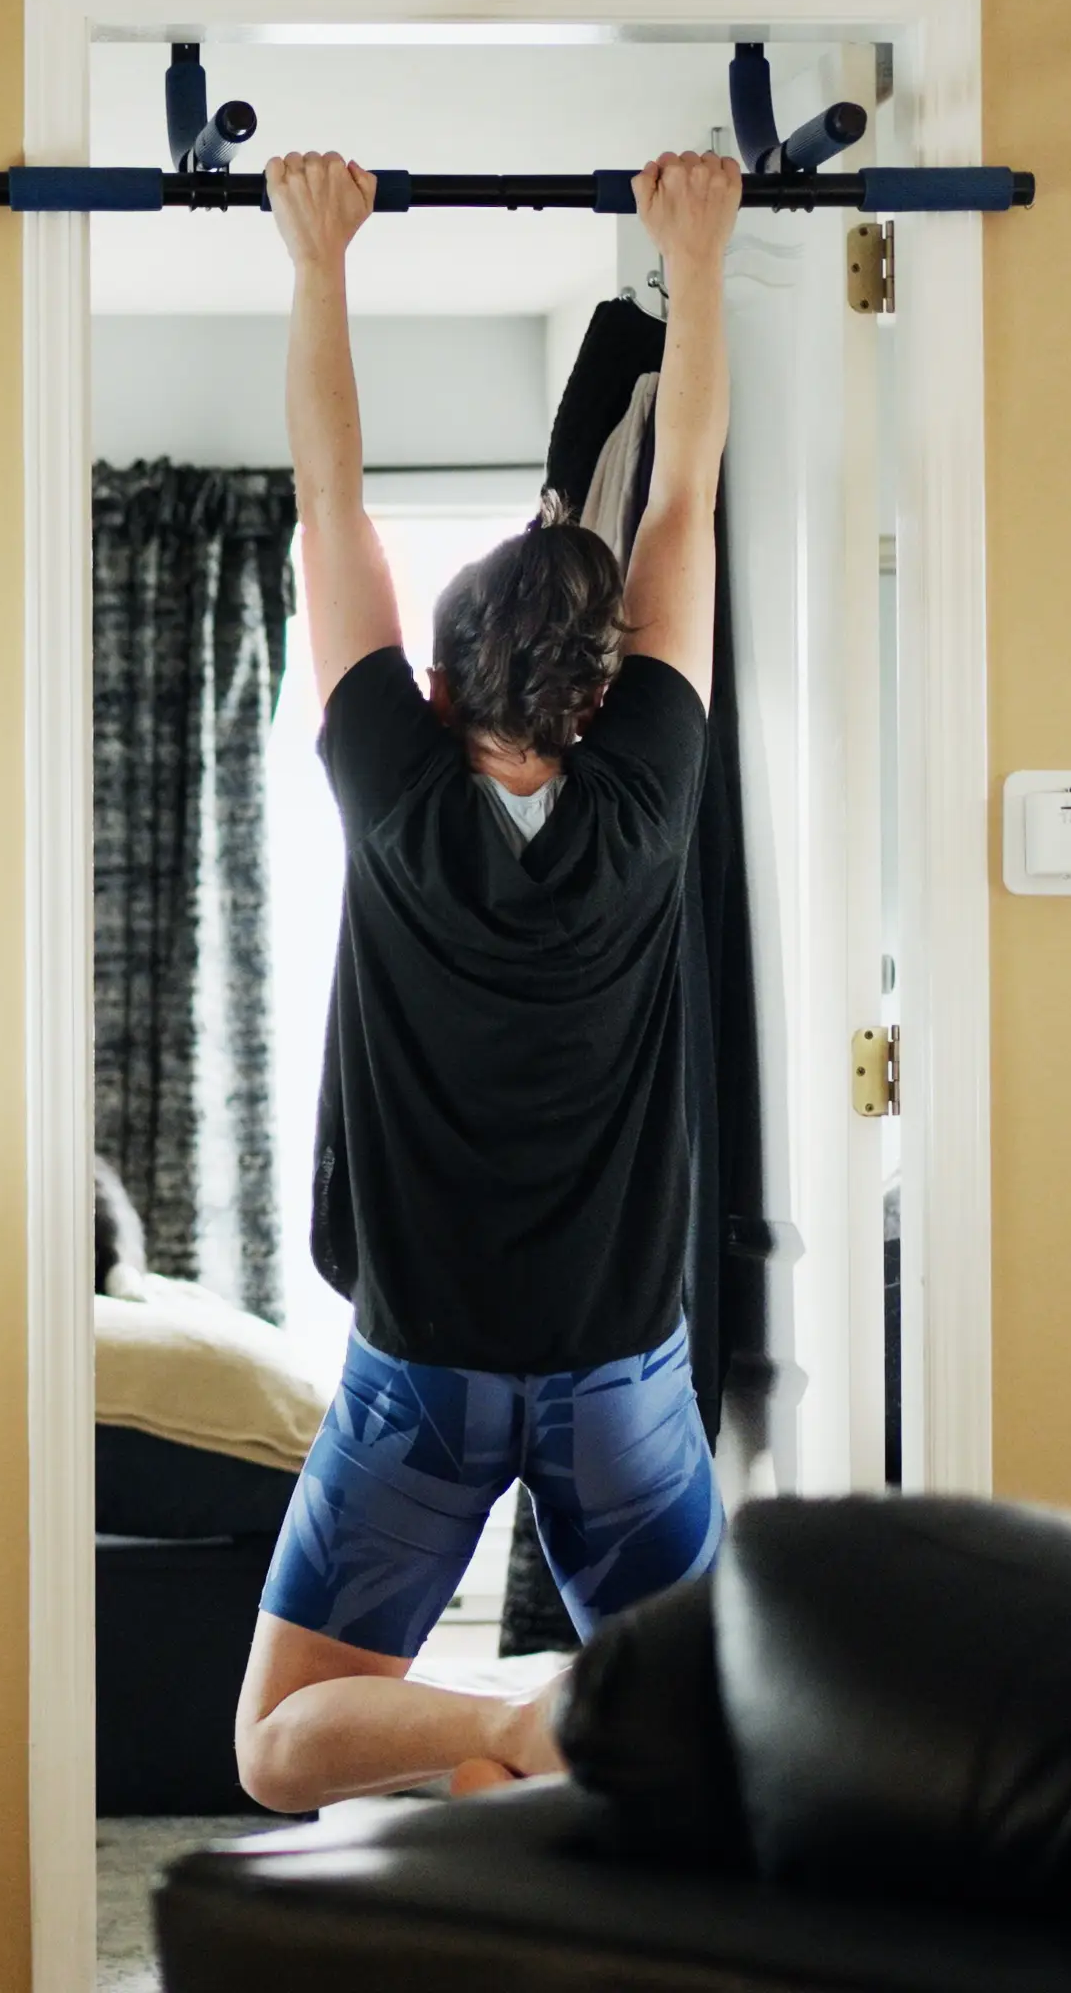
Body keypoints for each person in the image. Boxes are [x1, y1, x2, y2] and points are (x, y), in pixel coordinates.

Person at [231, 147, 743, 1812]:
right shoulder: (650, 796)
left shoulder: (389, 785)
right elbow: (682, 498)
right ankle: (564, 1739)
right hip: (619, 1373)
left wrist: (320, 257)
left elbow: (330, 505)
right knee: (715, 1734)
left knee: (277, 1748)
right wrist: (703, 259)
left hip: (424, 1374)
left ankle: (519, 1732)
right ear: (604, 698)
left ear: (437, 679)